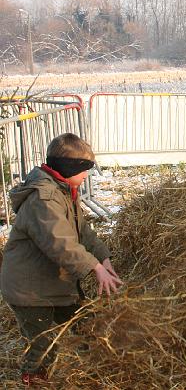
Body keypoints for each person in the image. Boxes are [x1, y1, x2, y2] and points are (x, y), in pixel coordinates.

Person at [0, 133, 123, 385]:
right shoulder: (43, 199)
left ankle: (96, 373)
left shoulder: (65, 189)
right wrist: (94, 267)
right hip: (30, 291)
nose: (88, 174)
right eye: (85, 169)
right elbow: (61, 244)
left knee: (87, 325)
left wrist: (103, 257)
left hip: (54, 285)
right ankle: (33, 378)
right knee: (43, 345)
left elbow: (82, 231)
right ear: (69, 168)